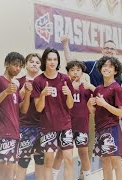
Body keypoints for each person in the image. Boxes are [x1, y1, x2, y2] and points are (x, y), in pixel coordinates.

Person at [61, 35, 122, 180]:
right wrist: (65, 44)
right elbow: (72, 62)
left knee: (115, 160)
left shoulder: (118, 78)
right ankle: (84, 175)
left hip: (111, 123)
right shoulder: (94, 70)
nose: (109, 50)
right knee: (101, 157)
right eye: (107, 48)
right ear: (102, 50)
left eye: (112, 48)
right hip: (96, 118)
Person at [0, 52, 31, 180]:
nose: (17, 68)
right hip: (2, 133)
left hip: (14, 133)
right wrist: (5, 92)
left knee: (11, 170)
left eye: (20, 66)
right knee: (1, 169)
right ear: (6, 64)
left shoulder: (15, 86)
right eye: (15, 65)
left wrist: (28, 93)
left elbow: (23, 110)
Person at [32, 47, 75, 180]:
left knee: (68, 159)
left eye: (55, 59)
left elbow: (70, 105)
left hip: (65, 125)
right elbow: (38, 109)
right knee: (49, 161)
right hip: (47, 126)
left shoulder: (65, 79)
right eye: (49, 59)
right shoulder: (38, 81)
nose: (52, 62)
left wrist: (69, 95)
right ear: (45, 60)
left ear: (58, 61)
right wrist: (43, 95)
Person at [52, 60, 95, 180]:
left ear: (82, 73)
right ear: (67, 72)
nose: (75, 72)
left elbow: (101, 94)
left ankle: (87, 177)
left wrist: (90, 86)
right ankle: (52, 176)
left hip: (82, 126)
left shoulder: (86, 87)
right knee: (60, 153)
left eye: (78, 70)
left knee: (84, 154)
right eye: (72, 70)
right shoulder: (63, 86)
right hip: (66, 126)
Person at [87, 56, 122, 180]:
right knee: (104, 162)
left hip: (112, 129)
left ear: (115, 71)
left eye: (110, 66)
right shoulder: (98, 89)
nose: (107, 68)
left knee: (116, 161)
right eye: (104, 65)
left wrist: (105, 104)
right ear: (100, 69)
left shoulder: (117, 88)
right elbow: (95, 113)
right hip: (99, 129)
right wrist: (89, 105)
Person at [16, 53, 45, 180]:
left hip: (43, 125)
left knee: (40, 160)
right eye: (31, 61)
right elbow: (15, 104)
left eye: (37, 62)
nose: (34, 64)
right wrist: (23, 90)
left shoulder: (44, 81)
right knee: (23, 160)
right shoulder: (18, 81)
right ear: (26, 64)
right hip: (25, 125)